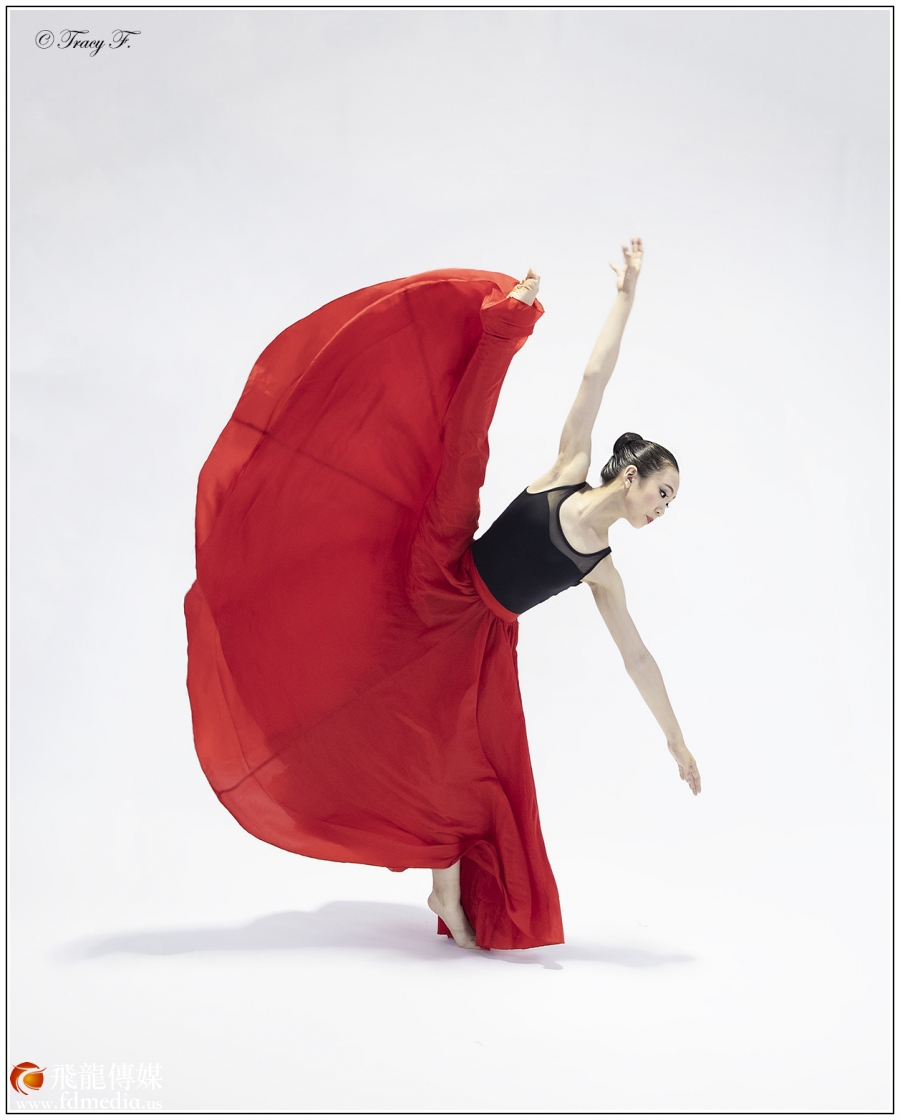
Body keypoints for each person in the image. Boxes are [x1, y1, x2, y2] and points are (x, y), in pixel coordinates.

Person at [184, 239, 700, 954]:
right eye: (662, 492)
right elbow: (593, 376)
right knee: (464, 448)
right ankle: (503, 327)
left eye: (670, 502)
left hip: (482, 643)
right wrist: (626, 295)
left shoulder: (602, 570)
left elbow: (637, 657)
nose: (662, 509)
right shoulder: (571, 467)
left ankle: (445, 889)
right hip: (446, 568)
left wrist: (674, 737)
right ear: (631, 475)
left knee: (461, 764)